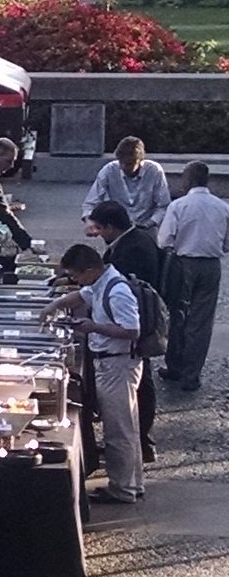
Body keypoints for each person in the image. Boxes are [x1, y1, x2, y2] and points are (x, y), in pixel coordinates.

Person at [42, 244, 142, 504]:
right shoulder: (101, 282)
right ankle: (132, 483)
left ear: (89, 270)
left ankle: (122, 489)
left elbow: (132, 330)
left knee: (118, 430)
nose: (74, 280)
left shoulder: (117, 291)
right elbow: (81, 296)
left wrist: (93, 327)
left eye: (76, 275)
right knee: (127, 427)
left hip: (117, 364)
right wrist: (53, 306)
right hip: (111, 363)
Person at [86, 200, 161, 463]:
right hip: (136, 321)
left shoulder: (134, 249)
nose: (97, 234)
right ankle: (138, 442)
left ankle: (140, 442)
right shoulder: (132, 239)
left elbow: (120, 289)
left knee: (139, 386)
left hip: (136, 327)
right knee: (140, 383)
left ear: (110, 227)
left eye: (99, 228)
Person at [157, 160, 229, 392]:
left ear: (187, 180)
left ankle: (174, 365)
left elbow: (164, 240)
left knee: (177, 314)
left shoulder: (179, 206)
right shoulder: (222, 207)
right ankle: (191, 374)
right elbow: (227, 242)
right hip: (211, 265)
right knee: (201, 321)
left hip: (183, 262)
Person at [81, 136, 170, 235]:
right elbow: (91, 202)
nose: (123, 167)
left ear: (140, 160)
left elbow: (163, 205)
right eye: (121, 162)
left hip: (147, 228)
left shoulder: (154, 171)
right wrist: (90, 222)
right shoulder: (109, 170)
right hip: (118, 229)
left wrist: (149, 223)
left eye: (129, 164)